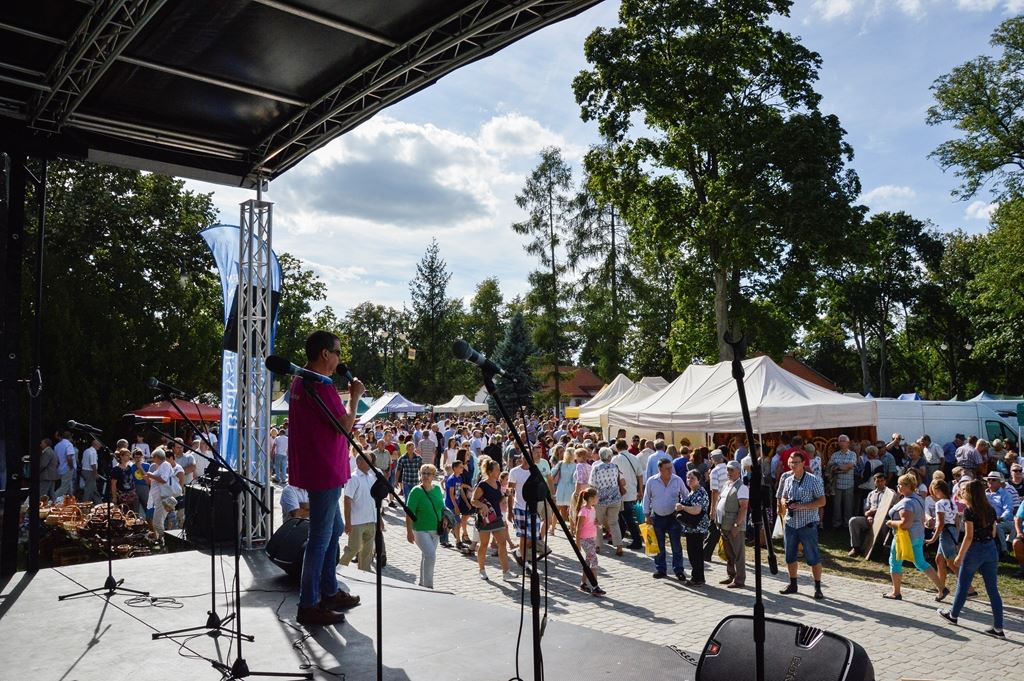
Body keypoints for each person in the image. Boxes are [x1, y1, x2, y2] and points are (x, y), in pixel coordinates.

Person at [288, 330, 362, 626]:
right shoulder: (319, 384)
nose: (340, 359)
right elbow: (344, 425)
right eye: (338, 352)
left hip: (320, 467)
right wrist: (355, 398)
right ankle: (309, 604)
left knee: (335, 529)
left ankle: (329, 590)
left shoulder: (301, 381)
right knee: (320, 537)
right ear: (325, 354)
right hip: (325, 470)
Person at [938, 479, 1005, 637]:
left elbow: (969, 536)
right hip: (990, 549)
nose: (962, 492)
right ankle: (998, 628)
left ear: (970, 493)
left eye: (964, 490)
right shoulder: (990, 509)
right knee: (993, 590)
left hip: (974, 550)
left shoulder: (969, 511)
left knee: (963, 584)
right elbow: (993, 532)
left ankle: (953, 615)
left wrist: (960, 556)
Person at [883, 473, 947, 600]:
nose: (898, 487)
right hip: (918, 536)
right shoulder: (918, 498)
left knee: (895, 562)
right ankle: (942, 588)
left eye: (900, 485)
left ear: (908, 486)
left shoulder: (907, 502)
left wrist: (891, 523)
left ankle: (896, 592)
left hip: (904, 538)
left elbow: (906, 524)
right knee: (920, 562)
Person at [777, 450, 826, 599]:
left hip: (807, 524)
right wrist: (786, 503)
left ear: (803, 463)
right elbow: (783, 497)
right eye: (791, 462)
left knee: (813, 557)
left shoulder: (813, 480)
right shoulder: (787, 479)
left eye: (796, 462)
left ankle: (818, 587)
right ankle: (793, 584)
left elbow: (822, 501)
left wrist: (802, 506)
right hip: (791, 524)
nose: (793, 465)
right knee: (790, 556)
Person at [642, 458, 687, 581]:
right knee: (659, 546)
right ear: (660, 469)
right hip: (657, 517)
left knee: (676, 546)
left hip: (673, 517)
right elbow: (646, 498)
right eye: (667, 468)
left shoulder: (677, 480)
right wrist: (646, 515)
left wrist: (682, 508)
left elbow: (686, 495)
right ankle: (661, 569)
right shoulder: (652, 481)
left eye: (671, 467)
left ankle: (679, 570)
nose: (670, 470)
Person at [472, 458, 514, 581]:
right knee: (484, 545)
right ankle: (482, 570)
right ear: (490, 472)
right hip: (485, 519)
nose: (499, 471)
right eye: (497, 470)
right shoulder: (482, 485)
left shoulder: (498, 483)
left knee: (502, 543)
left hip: (497, 517)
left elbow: (499, 500)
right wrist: (483, 505)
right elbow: (473, 501)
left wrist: (506, 495)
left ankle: (506, 572)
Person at [404, 464, 443, 589]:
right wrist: (409, 531)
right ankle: (428, 586)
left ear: (433, 476)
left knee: (426, 555)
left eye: (428, 474)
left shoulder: (437, 489)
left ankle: (422, 584)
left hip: (436, 529)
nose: (425, 476)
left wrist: (445, 519)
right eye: (423, 473)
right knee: (431, 555)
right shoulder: (416, 491)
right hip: (420, 530)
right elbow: (409, 513)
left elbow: (441, 507)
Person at [339, 454, 376, 572]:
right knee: (353, 549)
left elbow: (374, 500)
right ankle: (338, 571)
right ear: (359, 462)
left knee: (367, 553)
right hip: (357, 521)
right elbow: (347, 499)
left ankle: (364, 574)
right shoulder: (353, 478)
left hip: (371, 519)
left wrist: (378, 518)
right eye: (367, 461)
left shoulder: (371, 477)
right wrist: (348, 522)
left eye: (371, 461)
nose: (370, 464)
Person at [588, 446, 626, 556]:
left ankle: (598, 545)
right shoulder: (615, 466)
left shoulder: (596, 468)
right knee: (614, 522)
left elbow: (592, 484)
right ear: (609, 456)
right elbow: (620, 480)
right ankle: (619, 546)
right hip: (615, 498)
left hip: (600, 500)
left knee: (598, 523)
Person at [717, 460, 749, 589]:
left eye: (732, 470)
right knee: (729, 553)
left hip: (734, 526)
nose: (729, 472)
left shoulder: (742, 487)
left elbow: (743, 507)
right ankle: (731, 575)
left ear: (738, 471)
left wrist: (737, 525)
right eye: (727, 469)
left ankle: (740, 580)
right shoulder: (727, 484)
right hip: (724, 524)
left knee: (738, 554)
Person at [926, 479, 958, 599]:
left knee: (951, 562)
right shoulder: (952, 502)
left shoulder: (939, 503)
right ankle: (941, 588)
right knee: (939, 559)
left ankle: (969, 588)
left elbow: (941, 524)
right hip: (951, 531)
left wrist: (933, 539)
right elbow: (956, 520)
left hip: (945, 533)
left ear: (937, 490)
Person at [571, 487, 606, 596]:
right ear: (591, 498)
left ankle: (583, 583)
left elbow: (592, 521)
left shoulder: (592, 509)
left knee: (587, 561)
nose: (598, 498)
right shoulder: (583, 511)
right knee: (594, 561)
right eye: (596, 496)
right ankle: (595, 587)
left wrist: (597, 524)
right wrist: (577, 544)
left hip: (591, 538)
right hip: (584, 540)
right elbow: (578, 529)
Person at [678, 470, 710, 585]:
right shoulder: (692, 492)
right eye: (688, 477)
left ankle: (698, 578)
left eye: (692, 478)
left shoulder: (700, 492)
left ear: (698, 479)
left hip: (697, 528)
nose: (689, 480)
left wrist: (683, 507)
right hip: (691, 528)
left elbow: (697, 510)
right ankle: (697, 577)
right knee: (693, 553)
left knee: (695, 554)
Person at [612, 438, 644, 550]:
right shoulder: (634, 458)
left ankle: (637, 540)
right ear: (626, 446)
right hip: (632, 491)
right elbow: (640, 475)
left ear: (617, 448)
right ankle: (620, 538)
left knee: (626, 517)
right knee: (625, 516)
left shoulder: (615, 459)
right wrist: (640, 491)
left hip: (621, 492)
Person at [848, 473, 888, 557]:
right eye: (878, 481)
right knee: (853, 520)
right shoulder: (871, 494)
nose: (880, 483)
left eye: (882, 481)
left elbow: (890, 508)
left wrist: (875, 511)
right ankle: (856, 547)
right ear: (874, 482)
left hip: (884, 518)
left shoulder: (890, 493)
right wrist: (869, 516)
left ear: (885, 481)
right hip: (870, 518)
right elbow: (866, 510)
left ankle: (881, 547)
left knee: (884, 524)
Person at [143, 449, 173, 541]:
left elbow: (163, 479)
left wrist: (151, 475)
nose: (152, 459)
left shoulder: (165, 465)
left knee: (156, 522)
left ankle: (166, 540)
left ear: (156, 457)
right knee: (159, 521)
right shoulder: (161, 466)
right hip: (159, 498)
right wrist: (149, 477)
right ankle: (162, 541)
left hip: (163, 497)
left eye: (153, 457)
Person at [984, 471, 1016, 554]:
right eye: (989, 479)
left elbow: (1008, 509)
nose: (990, 481)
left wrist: (1001, 518)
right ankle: (1005, 548)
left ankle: (1007, 546)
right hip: (987, 521)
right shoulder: (984, 495)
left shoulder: (1006, 494)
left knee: (1015, 525)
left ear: (999, 482)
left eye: (993, 480)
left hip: (1004, 521)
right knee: (997, 526)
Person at [830, 435, 857, 529]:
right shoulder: (834, 455)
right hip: (837, 484)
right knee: (836, 506)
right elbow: (830, 468)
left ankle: (847, 524)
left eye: (843, 441)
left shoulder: (852, 454)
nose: (841, 443)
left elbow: (849, 466)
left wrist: (838, 468)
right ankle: (836, 524)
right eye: (840, 441)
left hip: (849, 484)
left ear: (848, 443)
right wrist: (843, 468)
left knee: (848, 506)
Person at [552, 447, 577, 530]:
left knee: (557, 508)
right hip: (571, 487)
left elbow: (552, 473)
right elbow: (574, 479)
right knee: (571, 509)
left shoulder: (560, 463)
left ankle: (552, 529)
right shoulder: (575, 465)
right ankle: (572, 529)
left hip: (561, 486)